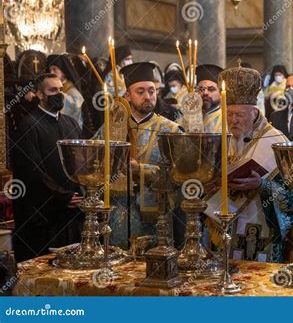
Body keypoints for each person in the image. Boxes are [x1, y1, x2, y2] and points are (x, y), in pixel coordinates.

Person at [205, 66, 293, 262]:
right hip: (224, 230)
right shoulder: (222, 139)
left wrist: (262, 185)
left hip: (261, 231)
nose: (233, 120)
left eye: (239, 115)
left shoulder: (277, 142)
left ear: (253, 112)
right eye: (229, 114)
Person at [95, 62, 182, 249]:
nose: (148, 97)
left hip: (155, 219)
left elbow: (180, 175)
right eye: (140, 92)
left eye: (152, 91)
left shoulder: (170, 130)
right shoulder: (110, 128)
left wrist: (140, 170)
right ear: (127, 95)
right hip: (116, 216)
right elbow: (92, 165)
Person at [12, 73, 84, 262]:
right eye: (53, 90)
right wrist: (61, 196)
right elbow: (31, 171)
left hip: (72, 211)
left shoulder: (71, 123)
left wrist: (80, 193)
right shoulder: (28, 125)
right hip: (45, 214)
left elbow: (82, 163)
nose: (59, 94)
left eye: (61, 90)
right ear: (39, 94)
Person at [47, 54, 85, 130]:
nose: (51, 72)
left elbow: (76, 109)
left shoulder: (72, 91)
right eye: (49, 70)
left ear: (63, 72)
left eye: (54, 69)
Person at [195, 64, 224, 133]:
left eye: (211, 89)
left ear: (221, 93)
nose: (205, 93)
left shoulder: (227, 120)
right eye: (201, 89)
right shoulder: (189, 118)